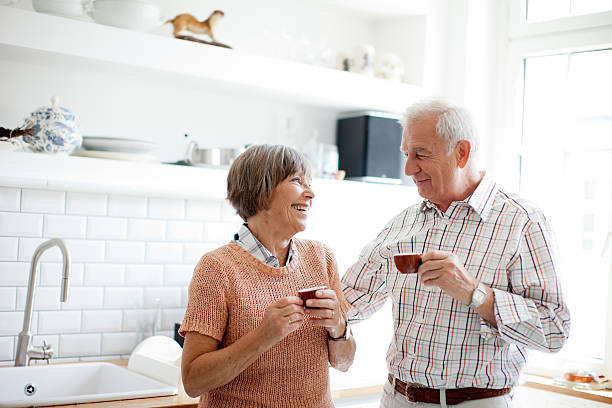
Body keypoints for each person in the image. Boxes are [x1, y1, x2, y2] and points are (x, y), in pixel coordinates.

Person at [341, 100, 570, 407]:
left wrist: (474, 293)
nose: (408, 169)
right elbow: (349, 301)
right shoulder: (404, 222)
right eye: (406, 155)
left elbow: (555, 329)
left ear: (461, 153)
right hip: (396, 398)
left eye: (421, 154)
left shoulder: (522, 221)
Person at [180, 144, 356, 408]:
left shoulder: (321, 258)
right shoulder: (217, 268)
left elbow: (344, 363)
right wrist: (263, 336)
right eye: (297, 180)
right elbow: (193, 381)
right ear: (260, 190)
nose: (311, 193)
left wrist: (338, 328)